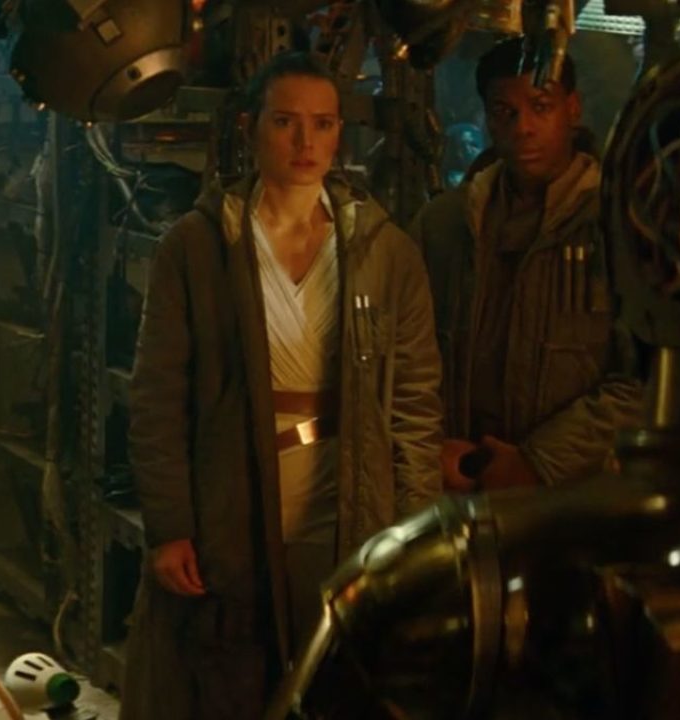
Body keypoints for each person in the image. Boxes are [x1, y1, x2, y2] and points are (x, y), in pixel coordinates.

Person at [122, 51, 444, 720]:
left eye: (323, 124)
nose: (306, 142)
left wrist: (415, 533)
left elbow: (414, 405)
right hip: (234, 499)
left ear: (340, 132)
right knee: (235, 679)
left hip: (346, 493)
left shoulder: (383, 249)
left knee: (337, 681)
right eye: (285, 122)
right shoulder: (200, 245)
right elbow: (158, 399)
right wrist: (171, 525)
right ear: (251, 128)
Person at [410, 38, 642, 492]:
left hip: (577, 496)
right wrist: (431, 447)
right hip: (458, 483)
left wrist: (537, 463)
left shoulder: (619, 227)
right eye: (504, 111)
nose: (523, 128)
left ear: (572, 108)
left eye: (541, 107)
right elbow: (406, 359)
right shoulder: (444, 226)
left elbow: (643, 381)